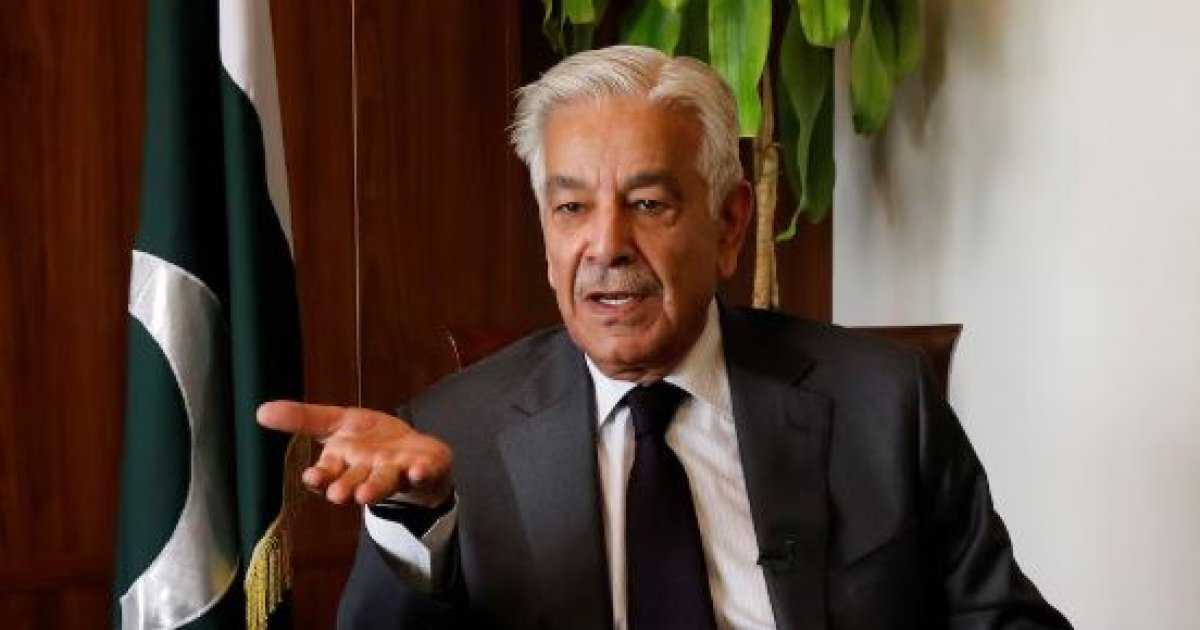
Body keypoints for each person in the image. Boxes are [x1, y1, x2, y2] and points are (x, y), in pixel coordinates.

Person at [258, 45, 1071, 630]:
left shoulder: (881, 404)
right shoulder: (453, 439)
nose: (606, 245)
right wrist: (414, 523)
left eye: (648, 204)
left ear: (730, 225)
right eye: (572, 208)